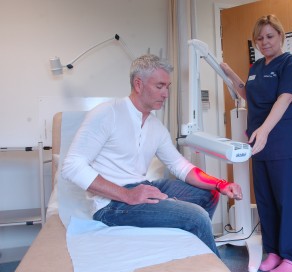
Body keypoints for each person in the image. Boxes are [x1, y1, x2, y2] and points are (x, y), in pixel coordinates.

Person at [62, 54, 243, 257]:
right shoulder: (107, 113)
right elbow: (72, 165)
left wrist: (220, 184)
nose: (166, 93)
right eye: (160, 86)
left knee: (209, 194)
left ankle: (186, 250)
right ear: (138, 84)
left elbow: (179, 166)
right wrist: (127, 195)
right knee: (197, 217)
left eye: (168, 87)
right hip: (111, 204)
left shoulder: (155, 126)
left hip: (142, 185)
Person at [220, 14, 292, 272]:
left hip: (284, 143)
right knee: (267, 201)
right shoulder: (256, 67)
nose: (264, 42)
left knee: (287, 201)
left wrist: (265, 130)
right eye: (259, 38)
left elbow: (284, 99)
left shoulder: (291, 64)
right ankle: (274, 252)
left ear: (280, 36)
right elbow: (248, 93)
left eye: (269, 36)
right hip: (259, 145)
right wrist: (228, 72)